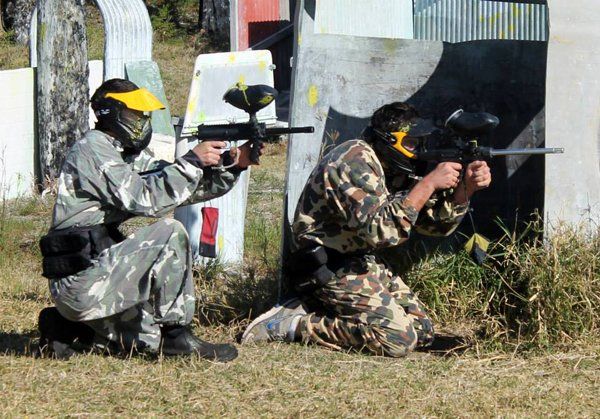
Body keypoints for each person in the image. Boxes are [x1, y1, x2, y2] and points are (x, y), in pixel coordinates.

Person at [241, 102, 492, 357]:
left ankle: (321, 310)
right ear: (388, 139)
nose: (417, 152)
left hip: (358, 262)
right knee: (398, 339)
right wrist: (428, 184)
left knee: (422, 331)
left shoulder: (392, 166)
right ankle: (289, 324)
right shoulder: (353, 161)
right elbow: (381, 231)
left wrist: (465, 190)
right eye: (411, 144)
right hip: (324, 266)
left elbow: (433, 226)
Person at [38, 78, 258, 361]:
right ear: (111, 113)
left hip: (98, 279)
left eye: (144, 116)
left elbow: (175, 189)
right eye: (135, 115)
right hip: (80, 281)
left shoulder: (122, 155)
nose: (142, 123)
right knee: (169, 231)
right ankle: (177, 337)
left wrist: (233, 164)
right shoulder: (93, 149)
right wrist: (191, 162)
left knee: (146, 340)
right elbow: (146, 199)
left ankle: (65, 327)